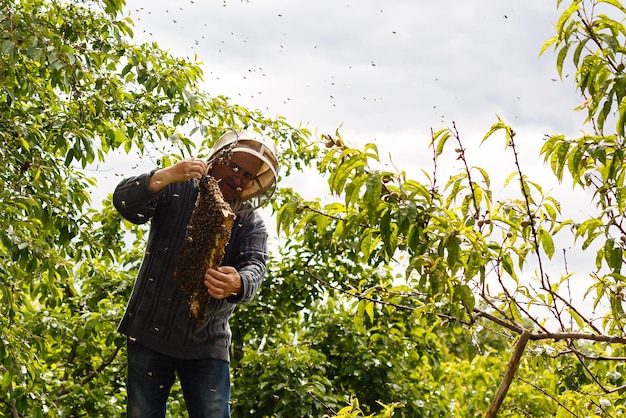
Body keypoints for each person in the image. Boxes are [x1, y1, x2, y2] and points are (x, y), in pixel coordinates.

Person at [112, 130, 280, 418]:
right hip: (150, 331)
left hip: (207, 343)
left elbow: (256, 265)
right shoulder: (177, 187)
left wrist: (238, 283)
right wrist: (162, 176)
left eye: (248, 176)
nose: (238, 179)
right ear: (216, 160)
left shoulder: (249, 222)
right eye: (235, 167)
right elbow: (125, 203)